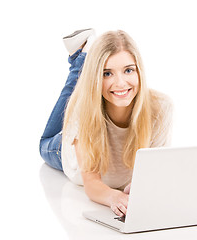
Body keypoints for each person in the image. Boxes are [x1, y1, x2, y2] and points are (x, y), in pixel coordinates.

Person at [39, 28, 173, 217]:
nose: (120, 83)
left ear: (139, 71)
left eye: (128, 70)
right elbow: (92, 182)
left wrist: (142, 186)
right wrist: (113, 197)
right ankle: (80, 62)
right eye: (107, 73)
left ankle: (91, 60)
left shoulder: (161, 108)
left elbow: (155, 168)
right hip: (67, 152)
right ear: (97, 78)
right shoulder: (82, 110)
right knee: (44, 142)